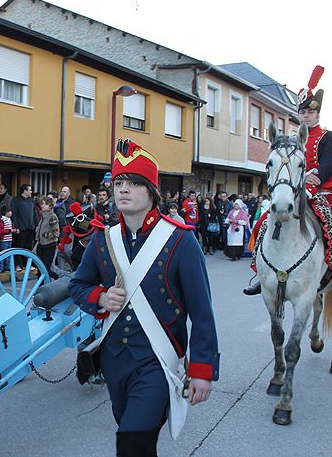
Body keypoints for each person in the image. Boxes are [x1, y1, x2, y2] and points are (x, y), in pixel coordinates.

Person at [68, 139, 219, 456]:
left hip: (156, 362)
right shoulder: (103, 239)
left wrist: (202, 371)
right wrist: (99, 298)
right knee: (135, 437)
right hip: (114, 361)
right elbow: (78, 285)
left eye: (134, 183)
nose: (123, 189)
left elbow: (202, 312)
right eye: (119, 182)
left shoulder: (181, 241)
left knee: (132, 443)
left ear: (152, 192)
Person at [244, 66, 332, 311]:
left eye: (310, 111)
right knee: (261, 224)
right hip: (295, 194)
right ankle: (260, 275)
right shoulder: (291, 140)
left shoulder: (331, 138)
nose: (306, 115)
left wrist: (314, 176)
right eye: (303, 111)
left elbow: (330, 163)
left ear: (317, 113)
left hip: (325, 194)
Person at [10, 184, 37, 271]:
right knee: (18, 246)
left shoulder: (31, 200)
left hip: (30, 227)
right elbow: (14, 214)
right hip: (20, 228)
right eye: (29, 190)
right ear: (24, 191)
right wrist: (16, 226)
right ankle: (17, 264)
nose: (31, 192)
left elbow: (35, 213)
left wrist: (36, 225)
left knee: (28, 247)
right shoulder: (16, 200)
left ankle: (27, 264)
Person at [35, 196, 60, 279]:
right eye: (42, 203)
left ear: (50, 206)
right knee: (39, 269)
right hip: (41, 245)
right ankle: (40, 287)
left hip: (49, 245)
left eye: (45, 204)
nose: (42, 205)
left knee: (45, 269)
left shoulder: (52, 216)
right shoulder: (42, 216)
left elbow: (56, 232)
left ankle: (58, 278)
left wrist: (44, 234)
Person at [0, 206, 14, 272]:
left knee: (8, 254)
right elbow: (1, 230)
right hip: (3, 240)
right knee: (2, 254)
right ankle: (0, 268)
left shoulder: (9, 220)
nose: (11, 212)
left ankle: (7, 267)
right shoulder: (2, 220)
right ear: (5, 212)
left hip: (9, 239)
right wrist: (10, 231)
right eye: (9, 211)